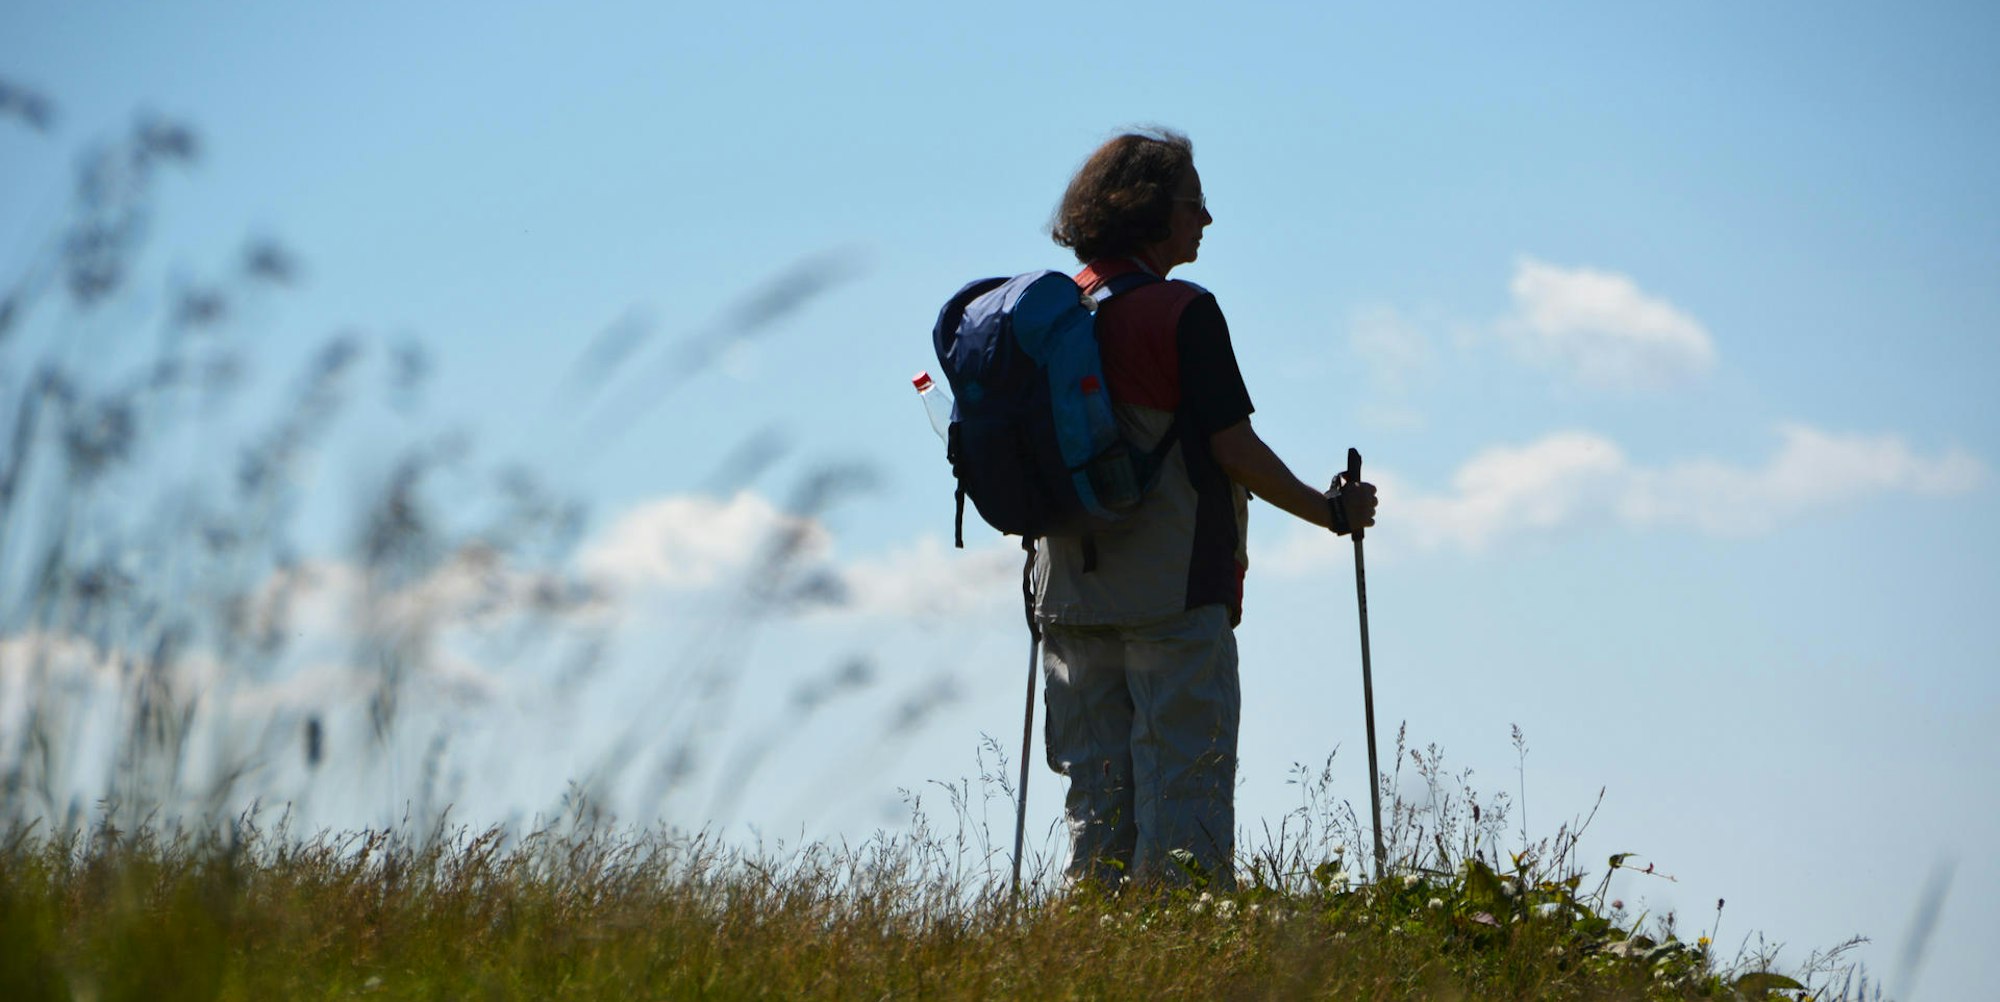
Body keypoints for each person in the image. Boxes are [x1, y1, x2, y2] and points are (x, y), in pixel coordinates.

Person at [1035, 129, 1378, 890]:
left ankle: (1093, 957)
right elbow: (1234, 449)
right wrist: (1331, 512)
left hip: (1067, 598)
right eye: (1194, 202)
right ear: (1150, 210)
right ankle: (1180, 962)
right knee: (1184, 802)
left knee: (1097, 807)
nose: (1208, 218)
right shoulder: (1180, 312)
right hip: (1172, 591)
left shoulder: (1057, 315)